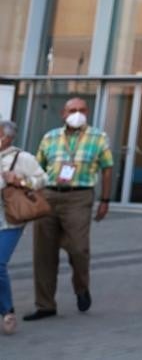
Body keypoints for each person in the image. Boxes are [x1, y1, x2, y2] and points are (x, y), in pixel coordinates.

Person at [26, 97, 113, 321]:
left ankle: (81, 287)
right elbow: (38, 167)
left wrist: (105, 200)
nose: (77, 113)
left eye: (81, 110)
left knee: (78, 248)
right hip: (49, 194)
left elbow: (107, 169)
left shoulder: (99, 137)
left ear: (88, 112)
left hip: (79, 195)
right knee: (43, 253)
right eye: (72, 110)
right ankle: (45, 304)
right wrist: (34, 195)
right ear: (63, 114)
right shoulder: (50, 137)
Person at [1, 119, 48, 334]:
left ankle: (7, 311)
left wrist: (20, 181)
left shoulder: (22, 158)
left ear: (7, 137)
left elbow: (42, 179)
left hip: (9, 219)